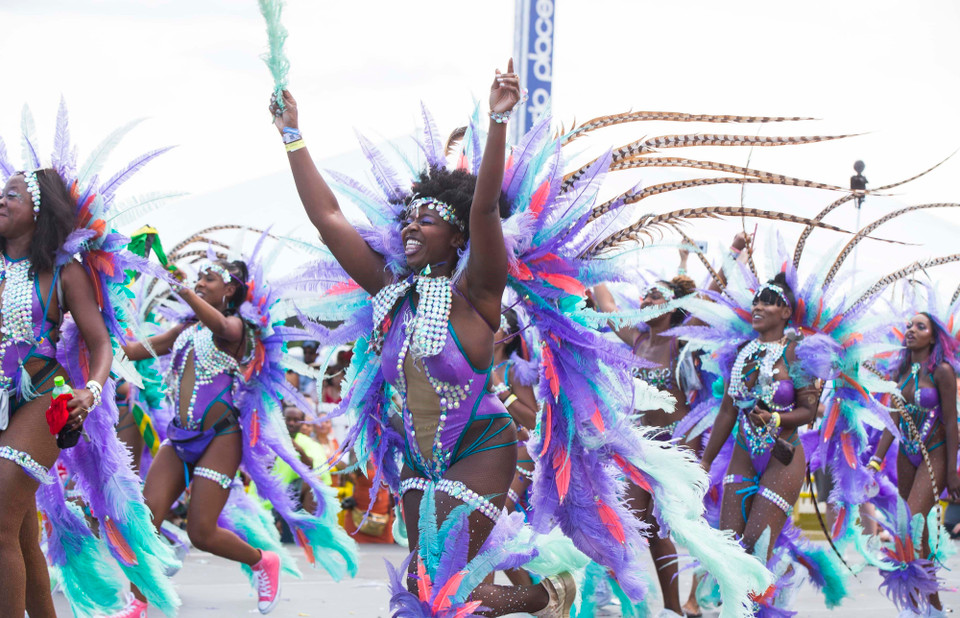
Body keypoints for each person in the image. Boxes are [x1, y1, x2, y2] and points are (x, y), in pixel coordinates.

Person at [271, 59, 574, 616]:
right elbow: (328, 217)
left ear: (456, 235)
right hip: (416, 456)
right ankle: (538, 595)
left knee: (439, 587)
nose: (411, 225)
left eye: (428, 219)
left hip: (481, 446)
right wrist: (292, 134)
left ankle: (541, 594)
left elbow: (484, 207)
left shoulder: (479, 293)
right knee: (421, 586)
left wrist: (499, 122)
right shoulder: (391, 291)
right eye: (407, 218)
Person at [112, 260, 286, 616]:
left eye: (210, 279)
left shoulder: (237, 329)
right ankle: (138, 603)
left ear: (231, 290)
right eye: (198, 279)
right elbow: (136, 350)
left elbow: (221, 323)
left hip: (221, 439)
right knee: (142, 521)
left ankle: (262, 561)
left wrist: (185, 291)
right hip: (178, 439)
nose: (201, 283)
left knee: (201, 533)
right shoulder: (185, 330)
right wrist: (92, 340)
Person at [0, 168, 113, 617]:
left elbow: (100, 342)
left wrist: (92, 390)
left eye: (12, 195)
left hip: (43, 399)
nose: (1, 201)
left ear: (38, 211)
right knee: (20, 534)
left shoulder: (64, 273)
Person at [699, 273, 820, 608]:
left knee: (755, 546)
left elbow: (809, 410)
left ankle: (765, 596)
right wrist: (705, 463)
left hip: (783, 457)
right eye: (756, 300)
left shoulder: (796, 354)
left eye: (768, 301)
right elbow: (727, 412)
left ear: (786, 313)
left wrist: (776, 418)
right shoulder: (742, 351)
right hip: (744, 450)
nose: (758, 306)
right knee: (727, 547)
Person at [868, 312, 960, 616]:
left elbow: (951, 422)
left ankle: (915, 606)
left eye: (920, 327)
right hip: (906, 454)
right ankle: (930, 608)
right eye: (909, 325)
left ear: (932, 337)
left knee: (910, 522)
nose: (911, 330)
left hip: (936, 452)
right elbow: (891, 419)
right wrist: (876, 460)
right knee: (913, 534)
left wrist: (952, 474)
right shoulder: (902, 372)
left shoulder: (942, 372)